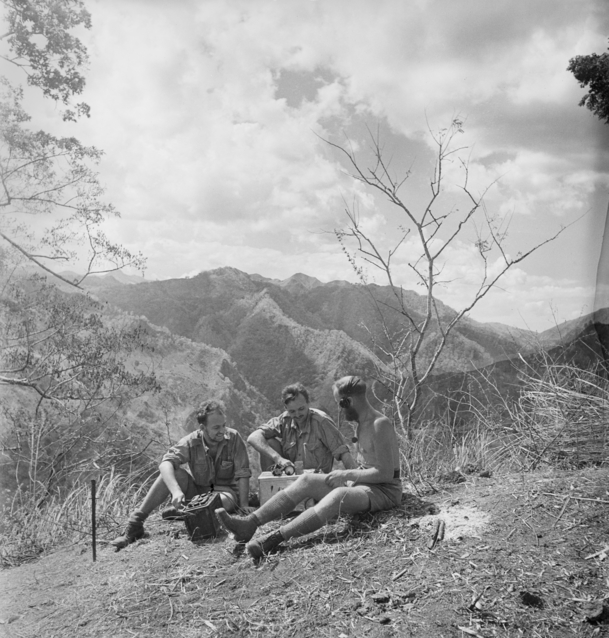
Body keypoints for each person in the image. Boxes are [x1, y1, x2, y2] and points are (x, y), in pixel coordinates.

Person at [216, 375, 402, 559]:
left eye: (340, 403)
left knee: (337, 495)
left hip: (384, 492)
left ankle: (272, 539)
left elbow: (385, 474)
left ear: (348, 401)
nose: (339, 408)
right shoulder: (361, 424)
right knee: (306, 480)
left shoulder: (380, 425)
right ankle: (249, 524)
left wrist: (346, 474)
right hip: (364, 484)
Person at [111, 399, 251, 551]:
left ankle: (186, 512)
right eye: (216, 427)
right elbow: (165, 463)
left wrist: (243, 505)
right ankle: (135, 525)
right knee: (174, 473)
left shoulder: (234, 438)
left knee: (222, 502)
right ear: (203, 427)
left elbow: (242, 473)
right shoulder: (191, 441)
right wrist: (176, 491)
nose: (222, 431)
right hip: (197, 493)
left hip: (225, 493)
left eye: (224, 425)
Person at [247, 382, 355, 474]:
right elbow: (253, 437)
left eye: (301, 409)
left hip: (316, 481)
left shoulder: (322, 422)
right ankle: (270, 488)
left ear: (308, 403)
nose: (297, 414)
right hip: (289, 479)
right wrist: (278, 458)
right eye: (292, 411)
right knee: (269, 442)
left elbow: (343, 452)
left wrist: (357, 480)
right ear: (286, 408)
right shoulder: (285, 420)